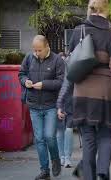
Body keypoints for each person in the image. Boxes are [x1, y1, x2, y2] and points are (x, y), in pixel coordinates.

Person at [68, 0, 111, 179]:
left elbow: (72, 60)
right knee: (106, 134)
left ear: (89, 10)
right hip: (106, 91)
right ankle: (102, 171)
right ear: (106, 10)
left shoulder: (78, 30)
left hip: (82, 89)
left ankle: (89, 176)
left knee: (88, 137)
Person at [18, 35, 64, 180]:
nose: (36, 53)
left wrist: (44, 84)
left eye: (39, 50)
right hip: (34, 105)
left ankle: (55, 159)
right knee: (39, 139)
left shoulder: (57, 60)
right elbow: (21, 74)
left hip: (50, 105)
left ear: (47, 47)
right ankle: (45, 170)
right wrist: (25, 82)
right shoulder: (29, 58)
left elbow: (62, 82)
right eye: (34, 50)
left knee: (49, 137)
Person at [56, 52, 74, 168]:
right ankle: (61, 156)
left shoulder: (71, 71)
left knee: (69, 130)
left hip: (71, 103)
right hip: (59, 103)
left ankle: (67, 157)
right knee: (60, 131)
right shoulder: (57, 73)